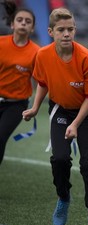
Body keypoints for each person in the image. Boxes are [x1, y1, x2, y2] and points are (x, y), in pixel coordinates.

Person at [22, 8, 88, 225]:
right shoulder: (42, 55)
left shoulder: (86, 57)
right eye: (61, 30)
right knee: (60, 159)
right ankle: (63, 197)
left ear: (75, 30)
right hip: (60, 110)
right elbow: (42, 82)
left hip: (87, 112)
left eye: (70, 29)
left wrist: (76, 124)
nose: (66, 34)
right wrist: (34, 107)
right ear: (51, 32)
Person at [0, 0, 39, 166]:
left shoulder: (37, 52)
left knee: (0, 138)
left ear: (32, 28)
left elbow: (43, 82)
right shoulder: (1, 43)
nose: (23, 23)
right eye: (20, 20)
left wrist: (35, 107)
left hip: (16, 105)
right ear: (12, 24)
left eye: (28, 21)